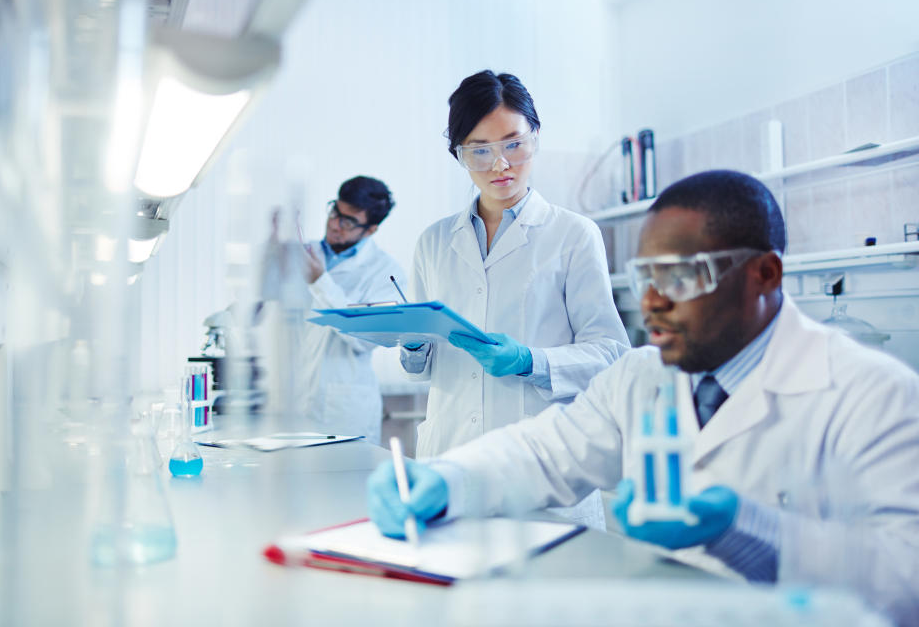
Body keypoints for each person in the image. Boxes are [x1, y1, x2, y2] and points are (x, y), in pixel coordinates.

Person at [369, 170, 919, 625]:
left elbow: (907, 579)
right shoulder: (641, 376)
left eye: (679, 276)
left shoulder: (873, 394)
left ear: (764, 274)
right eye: (644, 276)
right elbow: (542, 452)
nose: (652, 301)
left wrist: (749, 532)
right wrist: (447, 479)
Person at [401, 70, 629, 458]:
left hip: (541, 456)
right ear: (460, 155)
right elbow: (421, 368)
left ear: (535, 138)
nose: (500, 164)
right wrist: (412, 346)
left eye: (514, 144)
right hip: (450, 452)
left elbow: (611, 354)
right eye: (480, 150)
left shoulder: (573, 234)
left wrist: (530, 361)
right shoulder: (434, 242)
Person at [282, 175, 407, 445]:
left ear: (370, 229)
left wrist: (320, 281)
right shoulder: (304, 254)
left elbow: (364, 338)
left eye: (348, 221)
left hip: (343, 412)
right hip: (291, 404)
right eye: (335, 212)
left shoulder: (386, 273)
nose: (335, 224)